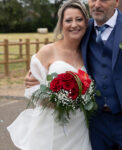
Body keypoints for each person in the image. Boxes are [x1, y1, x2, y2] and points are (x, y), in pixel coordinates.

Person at [25, 0, 122, 150]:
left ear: (116, 2)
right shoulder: (84, 27)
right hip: (94, 124)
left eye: (103, 0)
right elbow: (59, 52)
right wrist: (36, 76)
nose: (97, 4)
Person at [7, 1, 92, 150]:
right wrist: (58, 101)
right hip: (51, 124)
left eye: (79, 19)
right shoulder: (48, 51)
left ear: (86, 22)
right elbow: (31, 89)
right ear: (61, 24)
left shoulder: (89, 53)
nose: (74, 24)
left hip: (79, 126)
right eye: (68, 20)